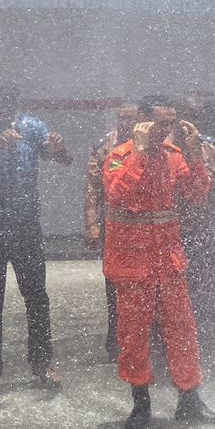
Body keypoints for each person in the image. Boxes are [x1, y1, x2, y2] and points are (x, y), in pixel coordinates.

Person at [102, 109, 215, 429]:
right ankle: (140, 402)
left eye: (170, 124)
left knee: (183, 330)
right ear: (143, 122)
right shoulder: (119, 156)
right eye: (160, 124)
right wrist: (140, 154)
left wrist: (195, 154)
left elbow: (198, 193)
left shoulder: (173, 155)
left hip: (167, 261)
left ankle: (189, 400)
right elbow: (117, 194)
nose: (166, 131)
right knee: (134, 334)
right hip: (133, 263)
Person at [0, 85, 72, 395]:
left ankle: (42, 363)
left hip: (25, 225)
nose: (6, 112)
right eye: (1, 106)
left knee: (36, 296)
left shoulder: (31, 125)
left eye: (11, 106)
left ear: (17, 105)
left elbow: (63, 159)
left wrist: (59, 148)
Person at [180, 94, 215, 375]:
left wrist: (205, 180)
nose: (191, 122)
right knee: (174, 297)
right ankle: (174, 356)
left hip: (202, 229)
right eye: (187, 115)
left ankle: (208, 353)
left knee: (206, 295)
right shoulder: (166, 149)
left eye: (196, 116)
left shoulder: (209, 147)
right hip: (172, 230)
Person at [86, 106, 138, 362]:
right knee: (114, 284)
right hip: (114, 226)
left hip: (143, 226)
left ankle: (144, 340)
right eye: (122, 118)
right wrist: (92, 225)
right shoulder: (105, 146)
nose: (126, 123)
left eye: (131, 118)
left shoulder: (150, 145)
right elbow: (92, 188)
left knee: (144, 284)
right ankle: (115, 341)